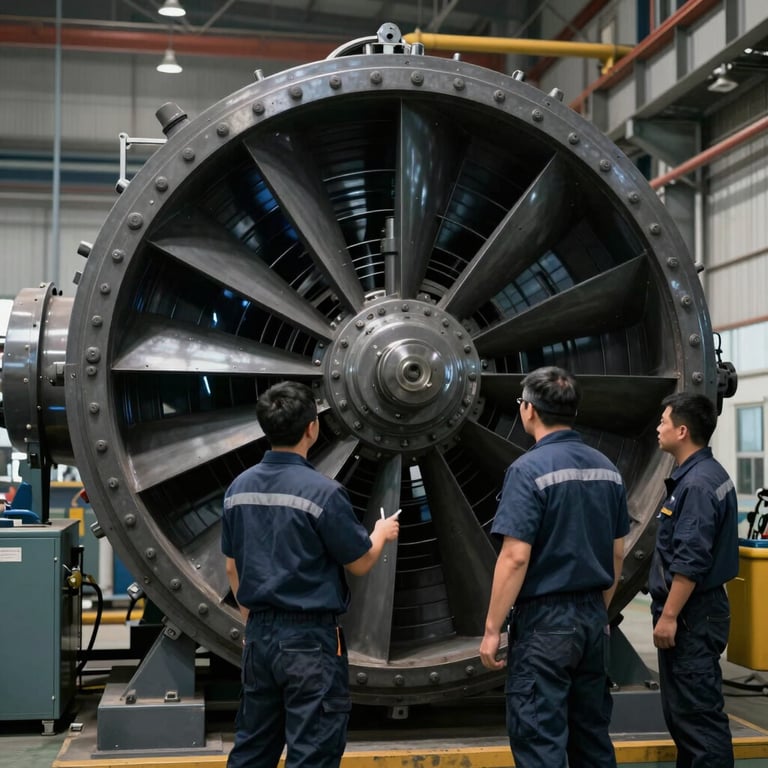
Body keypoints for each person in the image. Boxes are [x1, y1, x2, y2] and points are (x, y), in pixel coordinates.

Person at [221, 381, 400, 768]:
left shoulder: (238, 489)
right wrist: (380, 535)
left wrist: (251, 621)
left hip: (260, 637)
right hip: (309, 642)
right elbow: (360, 562)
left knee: (252, 748)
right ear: (312, 428)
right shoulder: (323, 493)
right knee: (313, 752)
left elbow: (231, 566)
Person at [479, 365, 629, 768]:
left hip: (545, 625)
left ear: (528, 410)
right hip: (593, 620)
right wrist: (600, 611)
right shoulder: (607, 469)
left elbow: (515, 556)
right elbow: (617, 553)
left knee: (540, 741)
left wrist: (492, 630)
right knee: (592, 740)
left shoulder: (528, 471)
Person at [649, 392, 738, 768]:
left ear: (682, 431)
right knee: (689, 720)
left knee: (698, 722)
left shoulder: (697, 486)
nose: (658, 427)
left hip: (690, 616)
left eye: (664, 422)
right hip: (700, 611)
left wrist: (669, 616)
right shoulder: (709, 475)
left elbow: (691, 561)